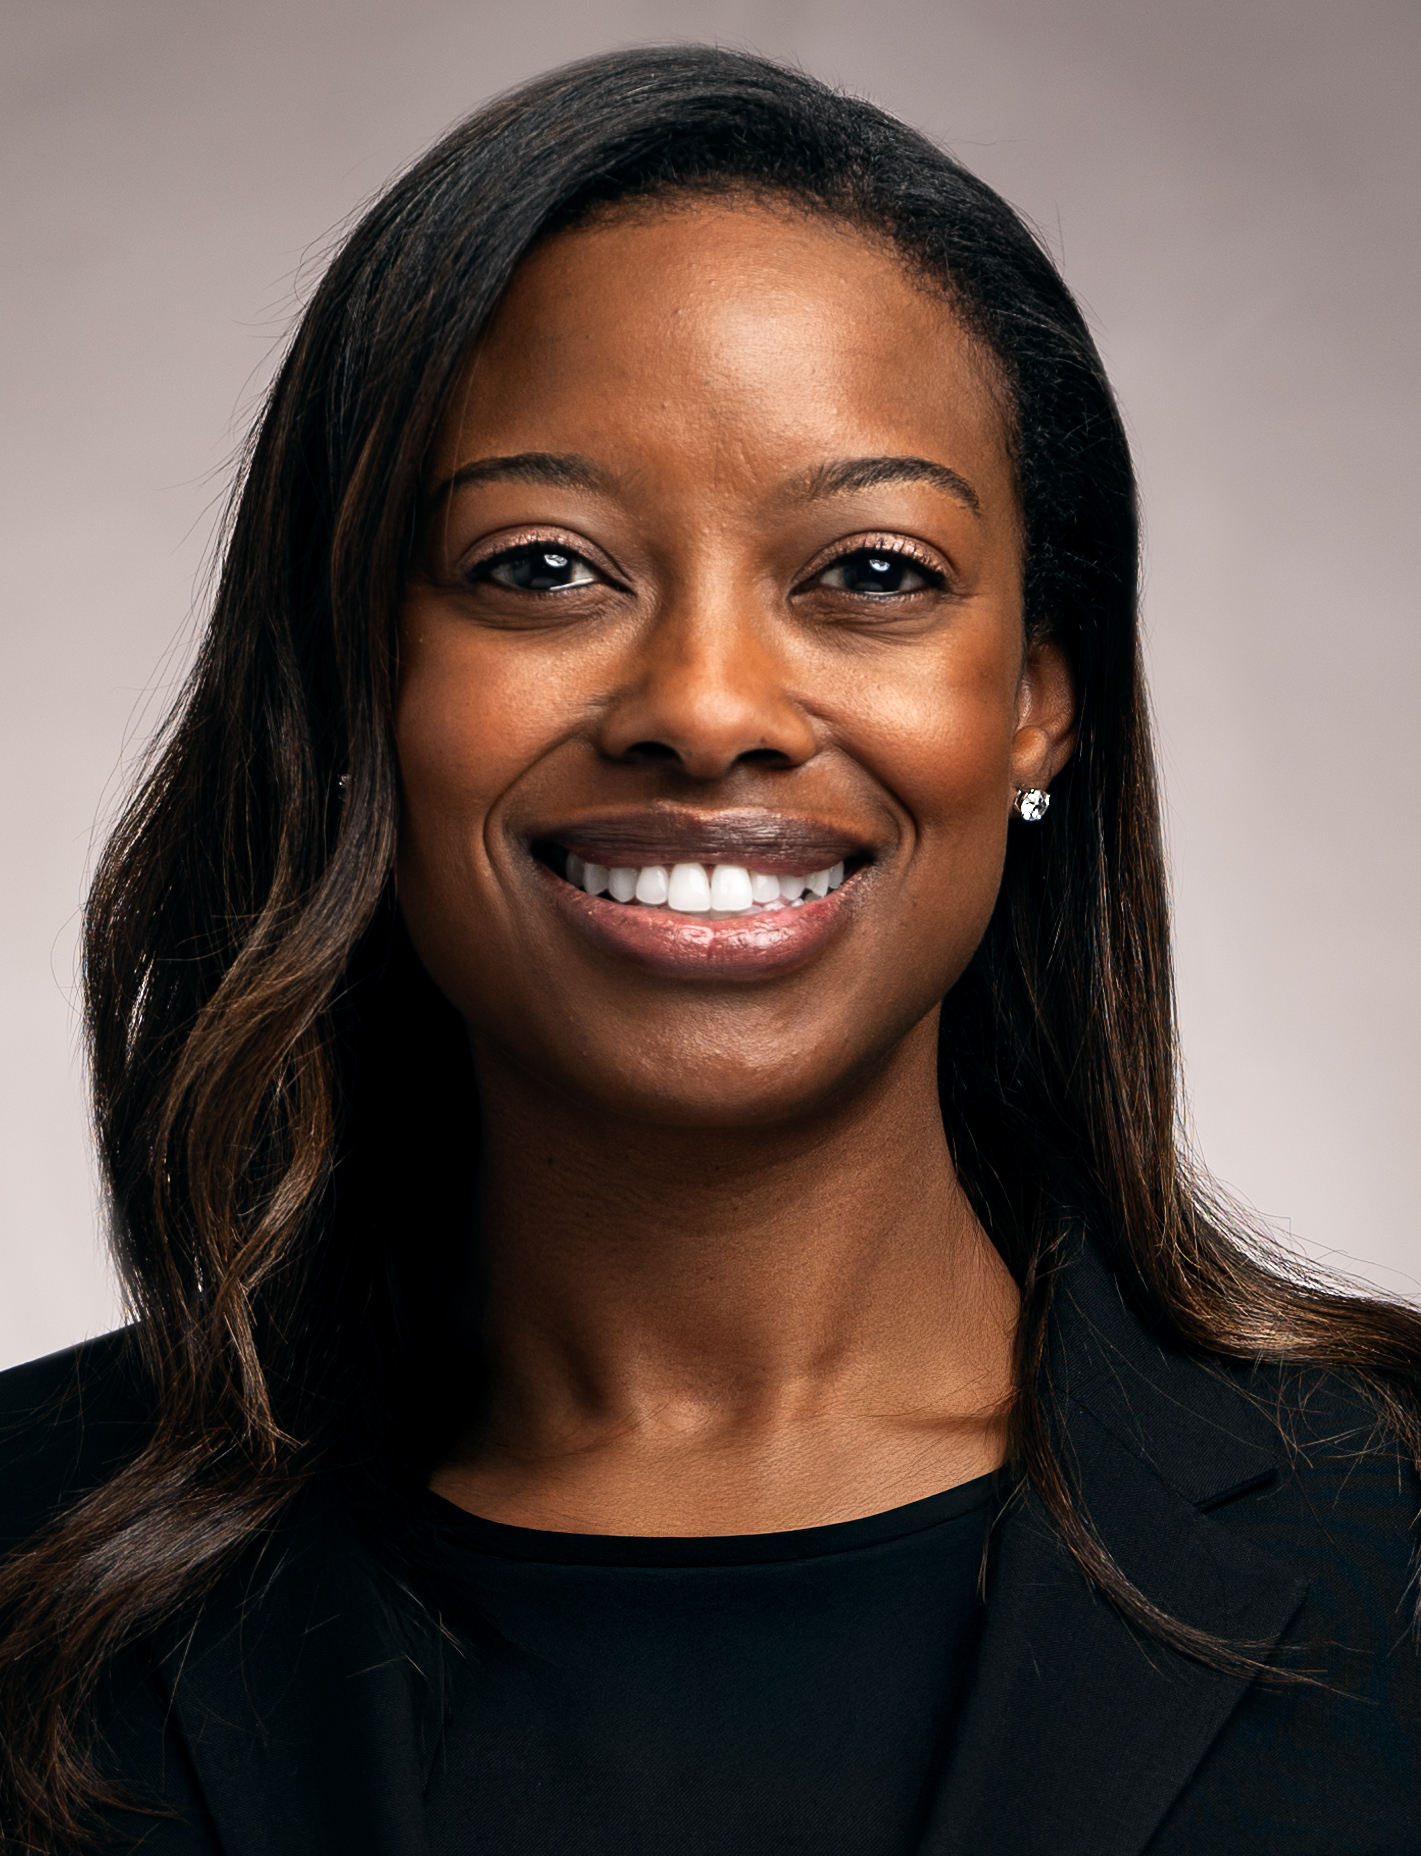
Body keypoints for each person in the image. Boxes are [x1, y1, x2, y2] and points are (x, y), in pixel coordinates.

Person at [0, 45, 1417, 1856]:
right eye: (542, 566)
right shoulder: (27, 1550)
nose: (707, 706)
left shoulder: (1400, 1541)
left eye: (872, 572)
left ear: (1034, 705)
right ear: (359, 677)